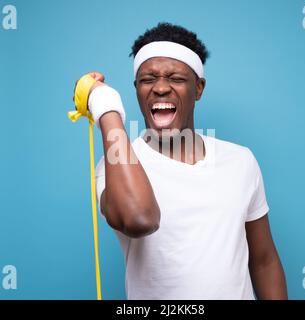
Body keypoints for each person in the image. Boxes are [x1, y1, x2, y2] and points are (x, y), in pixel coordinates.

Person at [74, 22, 287, 300]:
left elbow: (264, 260)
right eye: (148, 79)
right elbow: (139, 219)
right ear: (136, 89)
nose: (160, 88)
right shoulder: (116, 167)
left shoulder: (240, 161)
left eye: (175, 78)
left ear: (198, 88)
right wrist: (107, 107)